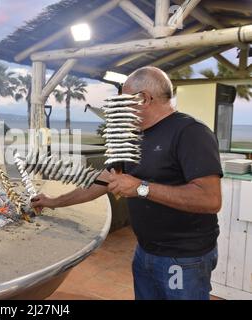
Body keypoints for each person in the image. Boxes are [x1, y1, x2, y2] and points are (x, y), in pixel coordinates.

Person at [31, 66, 222, 300]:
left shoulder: (191, 133)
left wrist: (141, 188)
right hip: (144, 252)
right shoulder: (132, 137)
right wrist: (53, 202)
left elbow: (210, 199)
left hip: (183, 259)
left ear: (143, 99)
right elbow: (100, 182)